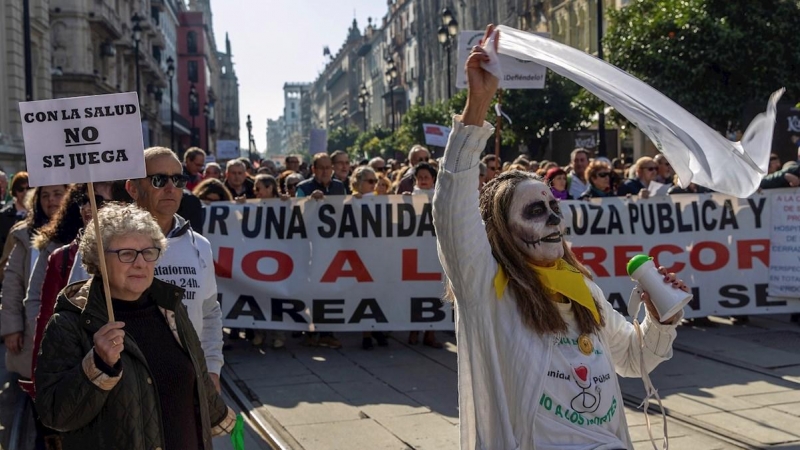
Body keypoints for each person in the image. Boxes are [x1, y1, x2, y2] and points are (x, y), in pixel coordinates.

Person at [434, 26, 687, 450]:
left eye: (554, 207)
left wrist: (659, 324)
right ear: (502, 232)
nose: (553, 219)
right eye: (535, 211)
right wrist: (478, 105)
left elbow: (632, 358)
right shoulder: (487, 290)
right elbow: (451, 208)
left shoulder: (581, 286)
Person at [35, 203, 235, 449]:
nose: (140, 263)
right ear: (98, 259)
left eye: (148, 252)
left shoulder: (170, 307)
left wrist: (221, 418)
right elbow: (54, 414)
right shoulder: (71, 323)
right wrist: (98, 366)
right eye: (126, 254)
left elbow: (197, 376)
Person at [69, 147, 225, 390]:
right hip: (124, 386)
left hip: (188, 381)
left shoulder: (200, 246)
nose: (170, 188)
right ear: (133, 188)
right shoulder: (102, 245)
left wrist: (212, 368)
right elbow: (73, 314)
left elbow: (209, 311)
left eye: (178, 179)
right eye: (159, 179)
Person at [0, 184, 67, 378]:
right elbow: (12, 285)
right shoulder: (23, 234)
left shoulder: (79, 231)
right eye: (45, 195)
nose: (50, 200)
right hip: (30, 332)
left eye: (57, 194)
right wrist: (12, 328)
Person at [0, 172, 31, 252]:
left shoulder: (39, 214)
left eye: (28, 188)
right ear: (15, 191)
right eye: (21, 189)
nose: (25, 192)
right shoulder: (3, 216)